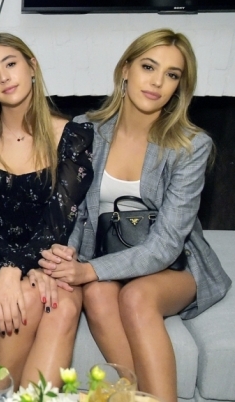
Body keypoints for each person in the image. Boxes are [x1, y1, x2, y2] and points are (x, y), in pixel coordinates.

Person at [39, 28, 231, 402]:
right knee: (96, 294)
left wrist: (89, 271)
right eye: (148, 66)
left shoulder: (191, 146)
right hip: (105, 255)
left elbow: (167, 245)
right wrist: (68, 256)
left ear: (179, 86)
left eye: (172, 74)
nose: (157, 82)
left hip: (174, 266)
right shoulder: (86, 129)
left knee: (136, 297)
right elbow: (73, 211)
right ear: (126, 69)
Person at [0, 33, 94, 388]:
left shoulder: (74, 136)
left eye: (10, 64)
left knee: (62, 304)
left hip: (49, 255)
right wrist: (10, 270)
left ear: (32, 67)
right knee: (26, 297)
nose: (4, 77)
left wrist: (25, 267)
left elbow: (60, 220)